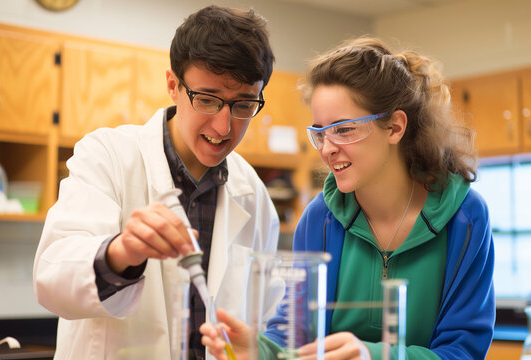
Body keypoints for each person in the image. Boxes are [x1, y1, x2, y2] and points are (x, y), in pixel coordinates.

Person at [201, 37, 495, 359]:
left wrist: (372, 355)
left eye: (343, 130)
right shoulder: (320, 218)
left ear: (395, 127)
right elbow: (298, 332)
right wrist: (262, 350)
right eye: (320, 132)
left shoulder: (466, 218)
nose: (327, 148)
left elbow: (463, 351)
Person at [33, 5, 280, 359]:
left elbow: (266, 316)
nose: (223, 127)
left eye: (243, 105)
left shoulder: (253, 192)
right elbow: (52, 280)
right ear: (173, 86)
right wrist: (122, 252)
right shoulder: (107, 155)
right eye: (207, 100)